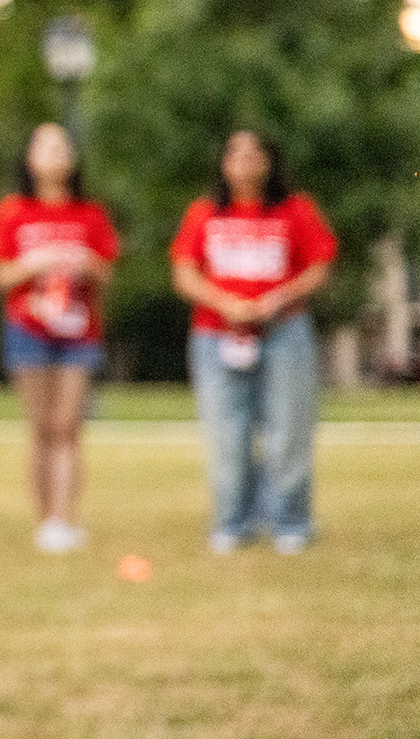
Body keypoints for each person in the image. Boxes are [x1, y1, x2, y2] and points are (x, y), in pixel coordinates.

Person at [170, 129, 335, 555]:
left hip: (284, 331)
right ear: (223, 164)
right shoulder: (205, 213)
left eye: (253, 154)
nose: (244, 162)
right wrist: (224, 302)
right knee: (227, 431)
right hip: (216, 335)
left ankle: (289, 520)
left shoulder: (294, 210)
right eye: (235, 154)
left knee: (288, 428)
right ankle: (233, 520)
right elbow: (185, 272)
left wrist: (278, 298)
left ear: (268, 161)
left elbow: (319, 265)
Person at [0, 123, 118, 553]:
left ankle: (65, 519)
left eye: (62, 145)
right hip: (28, 329)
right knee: (41, 427)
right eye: (44, 146)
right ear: (29, 159)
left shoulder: (90, 214)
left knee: (68, 426)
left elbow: (107, 272)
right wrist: (36, 262)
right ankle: (45, 521)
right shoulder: (12, 212)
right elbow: (1, 276)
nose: (54, 153)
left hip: (79, 332)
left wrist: (83, 263)